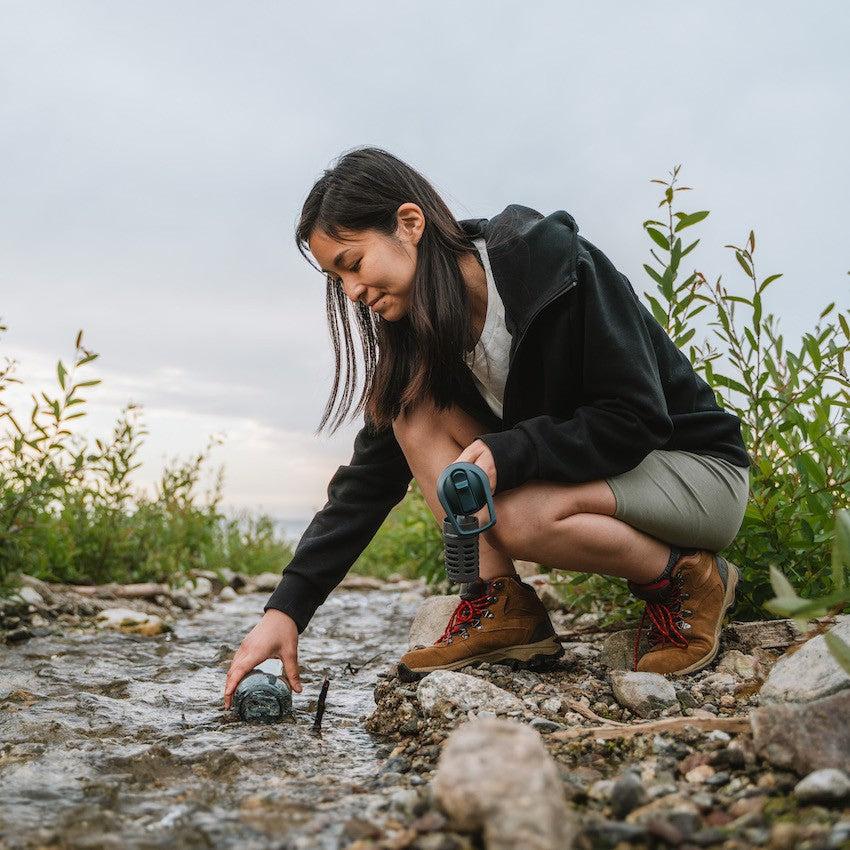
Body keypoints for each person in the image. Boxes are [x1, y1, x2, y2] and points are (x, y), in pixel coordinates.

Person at [223, 148, 750, 709]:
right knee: (410, 406)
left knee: (520, 518)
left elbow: (637, 417)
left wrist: (512, 451)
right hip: (605, 479)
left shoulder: (549, 266)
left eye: (352, 264)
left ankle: (688, 579)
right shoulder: (418, 331)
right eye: (337, 277)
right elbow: (368, 484)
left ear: (409, 223)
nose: (351, 292)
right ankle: (500, 602)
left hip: (697, 472)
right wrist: (286, 609)